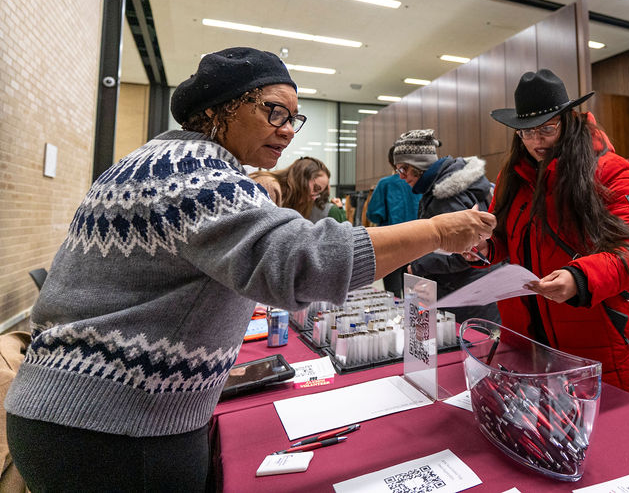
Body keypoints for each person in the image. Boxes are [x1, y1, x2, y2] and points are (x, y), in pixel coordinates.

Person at [3, 47, 494, 491]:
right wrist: (437, 232)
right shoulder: (195, 171)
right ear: (218, 109)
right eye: (273, 111)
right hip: (115, 428)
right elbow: (301, 263)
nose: (286, 128)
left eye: (294, 119)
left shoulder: (160, 160)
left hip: (91, 413)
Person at [474, 69, 629, 401]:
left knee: (618, 445)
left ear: (569, 120)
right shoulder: (512, 176)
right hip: (527, 343)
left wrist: (581, 278)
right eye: (526, 133)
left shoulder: (609, 170)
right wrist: (481, 248)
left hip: (597, 337)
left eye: (547, 129)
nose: (536, 142)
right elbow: (504, 240)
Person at [393, 129, 499, 323]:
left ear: (419, 165)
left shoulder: (447, 195)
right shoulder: (447, 185)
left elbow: (466, 251)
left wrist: (417, 266)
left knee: (470, 349)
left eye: (403, 169)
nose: (401, 176)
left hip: (466, 295)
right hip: (476, 290)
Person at [366, 144, 421, 298]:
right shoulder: (420, 182)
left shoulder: (385, 184)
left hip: (391, 245)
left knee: (393, 295)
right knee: (414, 296)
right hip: (419, 244)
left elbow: (374, 214)